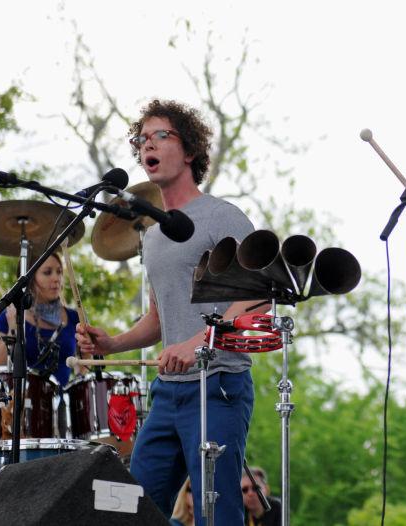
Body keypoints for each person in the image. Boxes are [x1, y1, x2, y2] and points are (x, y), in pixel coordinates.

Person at [76, 99, 260, 525]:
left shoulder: (222, 216)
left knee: (218, 513)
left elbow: (257, 297)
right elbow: (160, 318)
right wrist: (114, 343)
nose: (147, 145)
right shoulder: (155, 236)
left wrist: (199, 343)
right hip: (167, 392)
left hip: (219, 385)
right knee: (133, 508)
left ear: (190, 150)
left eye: (161, 135)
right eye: (141, 140)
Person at [0, 253, 80, 387]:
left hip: (63, 404)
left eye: (59, 272)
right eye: (47, 272)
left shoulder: (74, 317)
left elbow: (84, 365)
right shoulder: (10, 315)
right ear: (30, 279)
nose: (56, 278)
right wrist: (13, 330)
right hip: (19, 401)